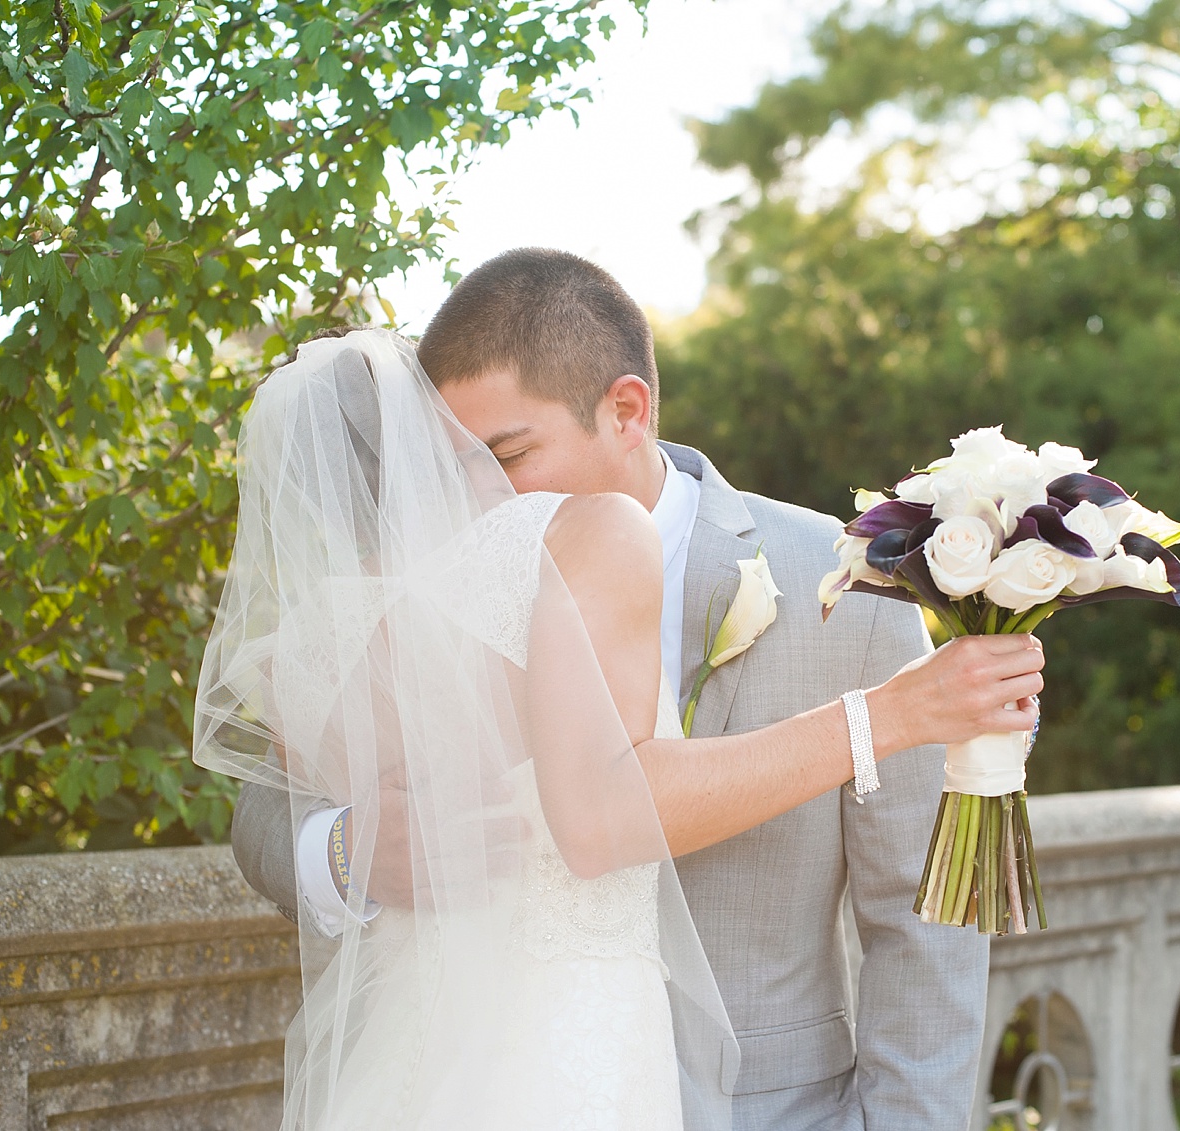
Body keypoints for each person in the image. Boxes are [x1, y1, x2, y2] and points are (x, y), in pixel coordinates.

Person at [216, 250, 1045, 1129]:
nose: (473, 496)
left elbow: (923, 927)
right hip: (487, 1085)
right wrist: (352, 851)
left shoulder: (847, 586)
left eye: (507, 455)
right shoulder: (425, 582)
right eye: (450, 461)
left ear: (626, 410)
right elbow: (269, 808)